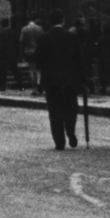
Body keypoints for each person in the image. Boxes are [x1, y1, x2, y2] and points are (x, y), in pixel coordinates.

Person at [34, 10, 84, 150]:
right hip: (69, 80)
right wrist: (82, 79)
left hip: (51, 81)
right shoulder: (72, 37)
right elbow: (79, 60)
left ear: (50, 22)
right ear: (63, 21)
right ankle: (70, 130)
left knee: (54, 111)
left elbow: (38, 59)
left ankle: (59, 141)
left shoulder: (44, 38)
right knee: (71, 107)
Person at [18, 15, 45, 94]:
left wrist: (21, 54)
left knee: (31, 70)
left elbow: (21, 42)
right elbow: (43, 39)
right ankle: (39, 83)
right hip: (38, 51)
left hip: (29, 51)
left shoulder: (25, 29)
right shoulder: (40, 28)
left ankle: (34, 88)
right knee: (38, 70)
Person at [0, 17, 20, 92]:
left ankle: (2, 87)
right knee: (15, 70)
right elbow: (16, 44)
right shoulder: (14, 32)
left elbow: (2, 45)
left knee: (2, 71)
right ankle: (20, 85)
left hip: (3, 55)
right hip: (12, 54)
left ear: (2, 25)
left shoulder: (1, 33)